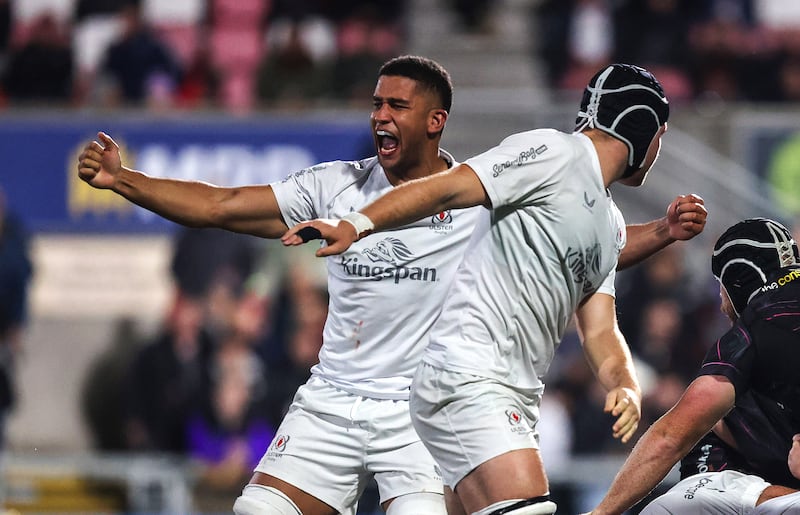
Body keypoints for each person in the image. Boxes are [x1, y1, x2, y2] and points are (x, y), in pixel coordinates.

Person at [77, 57, 706, 515]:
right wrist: (124, 180)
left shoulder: (484, 196)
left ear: (436, 122)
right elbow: (221, 205)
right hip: (334, 399)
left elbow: (581, 246)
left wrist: (660, 235)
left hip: (417, 410)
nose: (379, 115)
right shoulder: (334, 186)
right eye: (375, 103)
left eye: (395, 105)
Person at [282, 63, 704, 515]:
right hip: (467, 379)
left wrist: (624, 384)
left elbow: (600, 330)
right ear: (639, 126)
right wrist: (359, 223)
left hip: (511, 395)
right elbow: (447, 188)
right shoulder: (552, 152)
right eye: (662, 134)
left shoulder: (608, 222)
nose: (660, 149)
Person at [584, 217, 800, 515]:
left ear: (736, 282)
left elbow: (670, 436)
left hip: (738, 480)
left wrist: (602, 512)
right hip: (775, 465)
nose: (722, 304)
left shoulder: (752, 330)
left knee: (671, 507)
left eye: (721, 288)